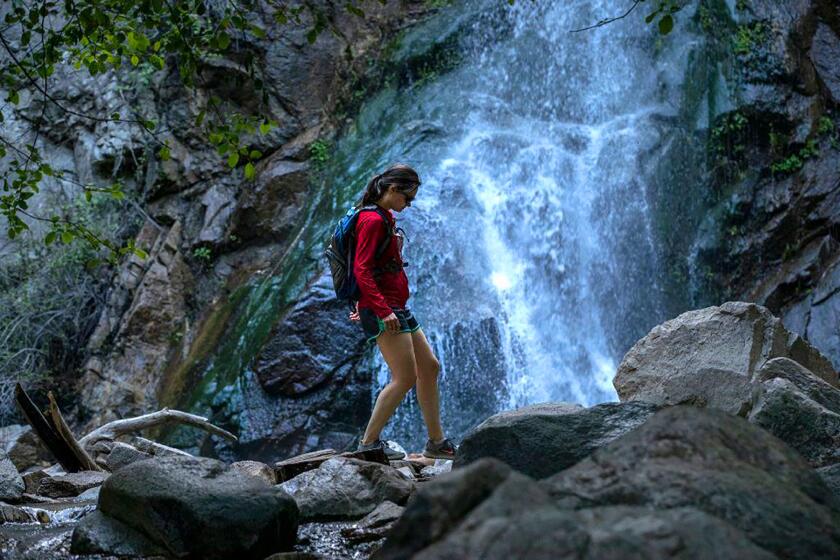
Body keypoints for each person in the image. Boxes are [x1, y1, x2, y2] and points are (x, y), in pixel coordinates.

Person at [349, 163, 457, 461]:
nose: (408, 205)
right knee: (404, 377)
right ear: (393, 189)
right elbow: (361, 269)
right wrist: (381, 310)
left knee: (430, 367)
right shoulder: (372, 220)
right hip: (385, 310)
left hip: (396, 307)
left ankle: (437, 442)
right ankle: (368, 445)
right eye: (407, 199)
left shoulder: (384, 218)